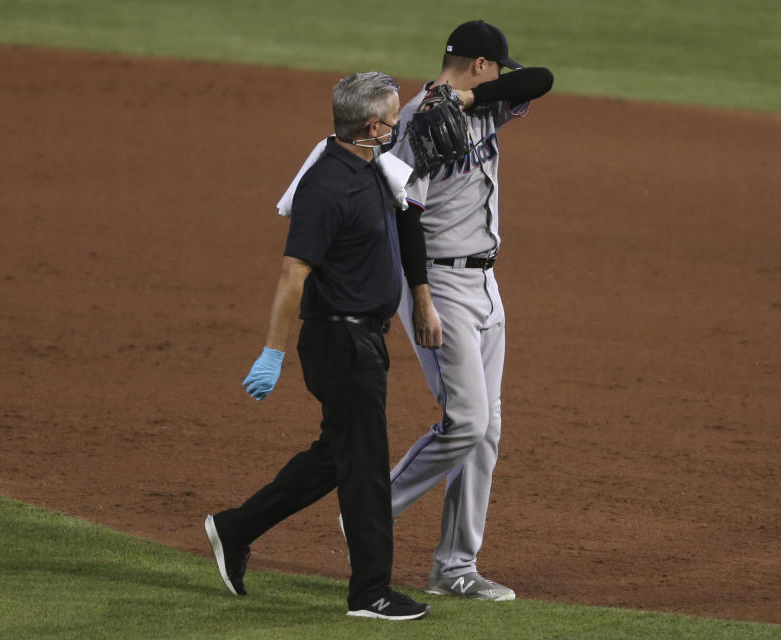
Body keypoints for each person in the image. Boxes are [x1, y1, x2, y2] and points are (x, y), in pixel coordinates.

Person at [203, 71, 430, 621]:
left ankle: (235, 528)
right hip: (340, 340)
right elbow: (292, 274)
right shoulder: (327, 185)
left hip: (363, 338)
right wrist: (272, 353)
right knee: (367, 469)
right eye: (393, 118)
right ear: (372, 125)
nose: (398, 125)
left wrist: (422, 300)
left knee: (338, 454)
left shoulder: (369, 164)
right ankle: (370, 594)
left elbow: (407, 222)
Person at [385, 20, 554, 600]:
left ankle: (455, 567)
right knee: (466, 423)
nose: (507, 77)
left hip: (486, 283)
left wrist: (470, 96)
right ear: (481, 62)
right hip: (438, 282)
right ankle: (371, 514)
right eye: (497, 68)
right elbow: (406, 212)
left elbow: (544, 78)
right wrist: (422, 299)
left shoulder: (485, 106)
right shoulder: (417, 120)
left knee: (488, 429)